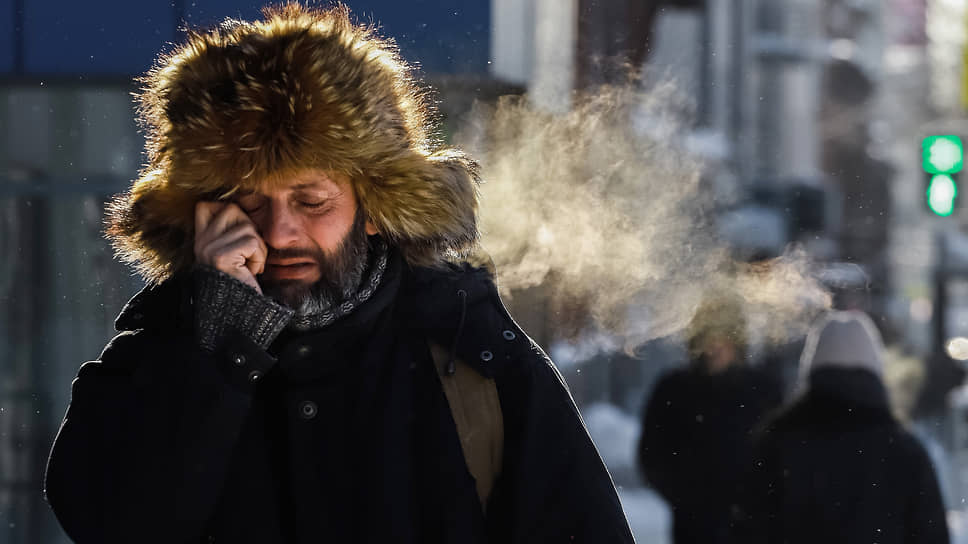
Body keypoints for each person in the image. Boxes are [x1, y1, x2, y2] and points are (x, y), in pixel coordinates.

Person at [43, 5, 634, 543]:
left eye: (312, 201)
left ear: (376, 209)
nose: (279, 233)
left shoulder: (478, 365)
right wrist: (220, 346)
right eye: (249, 202)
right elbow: (113, 524)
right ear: (206, 213)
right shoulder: (158, 355)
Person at [731, 311, 949, 544]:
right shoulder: (904, 450)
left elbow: (750, 527)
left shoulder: (778, 443)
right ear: (874, 373)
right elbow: (930, 534)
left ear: (812, 370)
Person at [637, 295, 782, 544]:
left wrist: (757, 499)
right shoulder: (675, 389)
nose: (714, 346)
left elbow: (779, 454)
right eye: (706, 337)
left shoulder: (763, 390)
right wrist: (682, 496)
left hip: (749, 525)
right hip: (693, 525)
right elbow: (652, 452)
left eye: (722, 337)